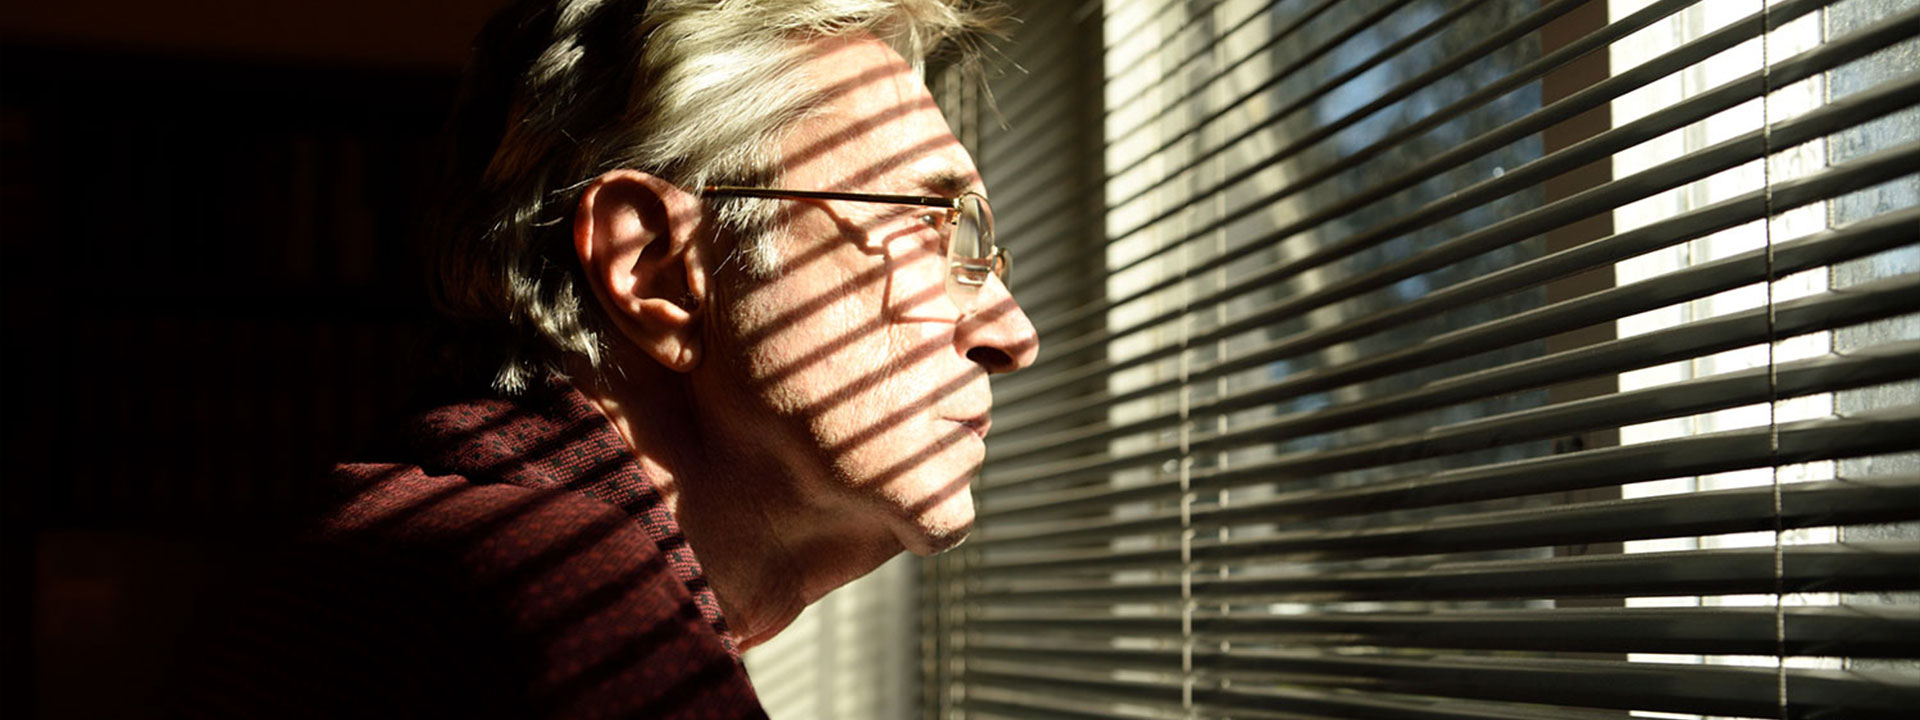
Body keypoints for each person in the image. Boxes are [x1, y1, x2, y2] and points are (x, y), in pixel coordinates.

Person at [168, 1, 1036, 717]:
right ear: (655, 266)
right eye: (930, 227)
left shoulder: (378, 552)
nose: (1014, 334)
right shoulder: (572, 615)